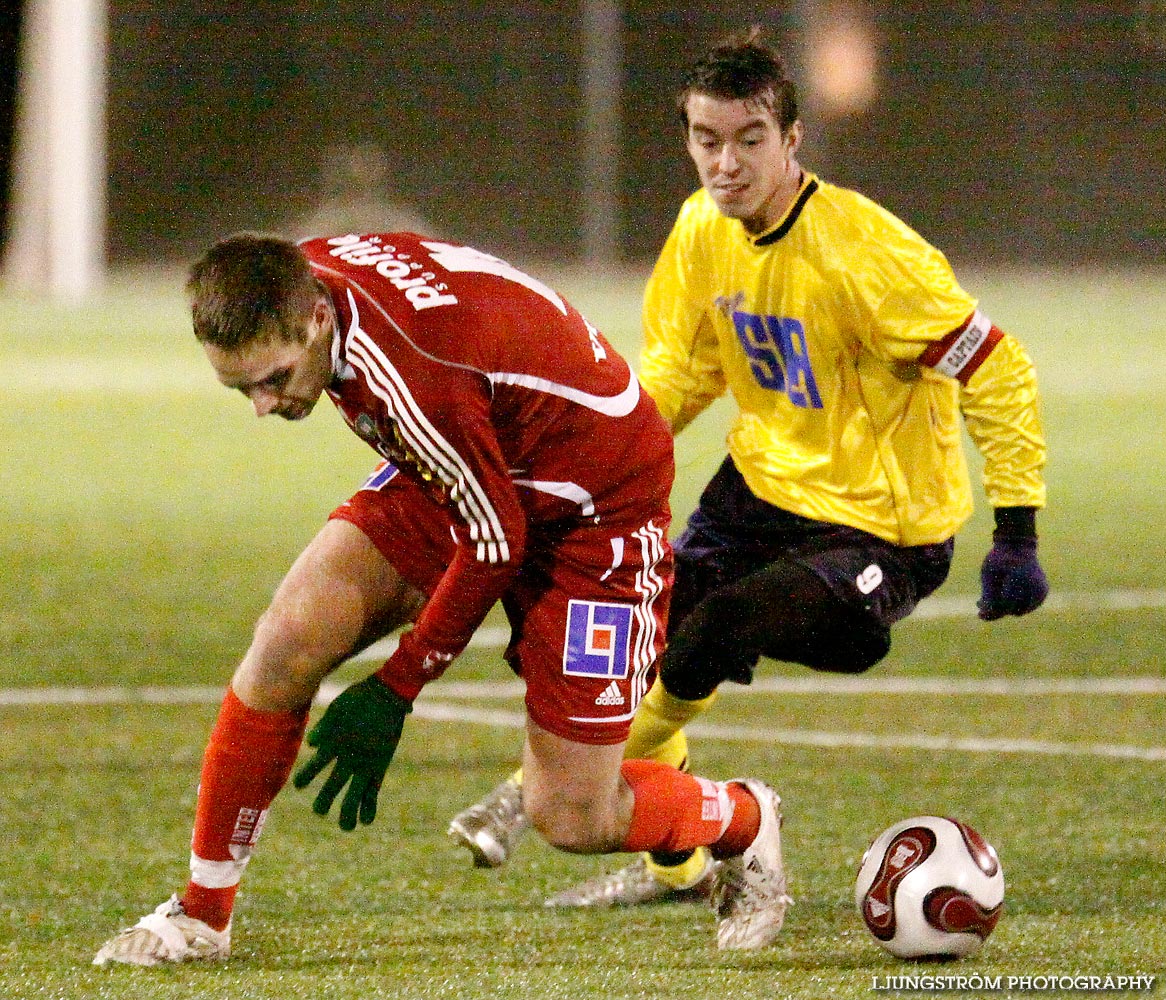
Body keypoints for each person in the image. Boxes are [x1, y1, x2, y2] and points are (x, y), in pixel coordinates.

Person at [447, 26, 1049, 907]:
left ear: (792, 139)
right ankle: (678, 869)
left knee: (720, 622)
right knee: (614, 629)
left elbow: (996, 365)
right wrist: (580, 477)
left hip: (881, 527)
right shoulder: (701, 230)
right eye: (706, 140)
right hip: (754, 497)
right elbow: (681, 375)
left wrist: (1017, 529)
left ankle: (525, 794)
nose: (725, 164)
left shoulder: (865, 251)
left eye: (749, 140)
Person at [92, 229, 792, 968]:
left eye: (273, 379)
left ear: (316, 320)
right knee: (289, 640)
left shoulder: (411, 370)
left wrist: (397, 687)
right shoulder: (301, 282)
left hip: (593, 503)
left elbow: (496, 541)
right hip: (472, 459)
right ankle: (203, 917)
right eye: (240, 388)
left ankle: (744, 821)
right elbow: (474, 478)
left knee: (573, 815)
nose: (262, 406)